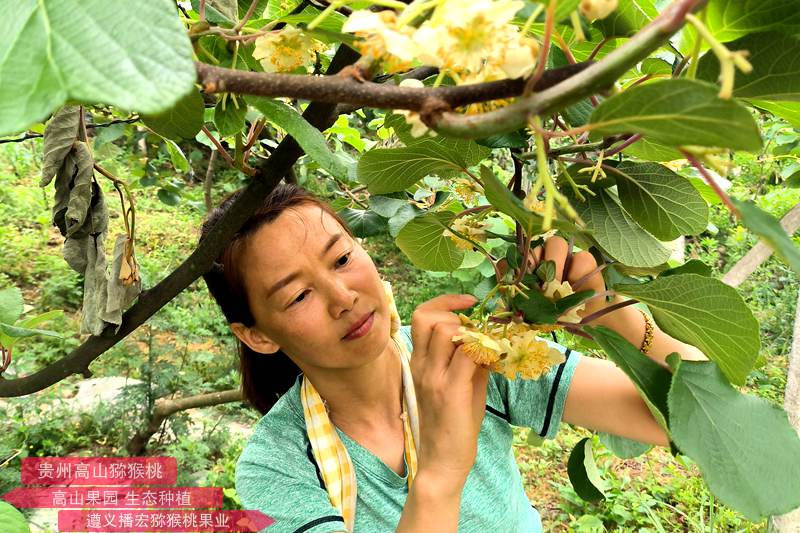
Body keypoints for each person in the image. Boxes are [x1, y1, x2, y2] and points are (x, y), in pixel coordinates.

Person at [200, 183, 707, 533]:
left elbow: (695, 423)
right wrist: (441, 469)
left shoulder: (471, 357)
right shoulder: (278, 466)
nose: (343, 297)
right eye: (297, 297)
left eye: (342, 259)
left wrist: (611, 312)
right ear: (257, 336)